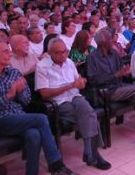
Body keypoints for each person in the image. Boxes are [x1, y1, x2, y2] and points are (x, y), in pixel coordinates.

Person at [0, 39, 77, 175]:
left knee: (34, 135)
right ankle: (56, 165)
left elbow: (26, 100)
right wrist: (8, 96)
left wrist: (19, 92)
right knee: (41, 119)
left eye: (9, 51)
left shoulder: (14, 73)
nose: (9, 54)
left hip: (19, 117)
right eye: (5, 52)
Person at [35, 38, 111, 170]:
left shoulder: (69, 62)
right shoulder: (42, 66)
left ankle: (89, 152)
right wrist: (71, 85)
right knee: (90, 115)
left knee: (88, 112)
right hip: (58, 102)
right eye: (59, 52)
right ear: (50, 53)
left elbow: (78, 82)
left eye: (65, 51)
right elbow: (44, 93)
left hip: (75, 96)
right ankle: (92, 153)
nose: (63, 55)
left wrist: (81, 83)